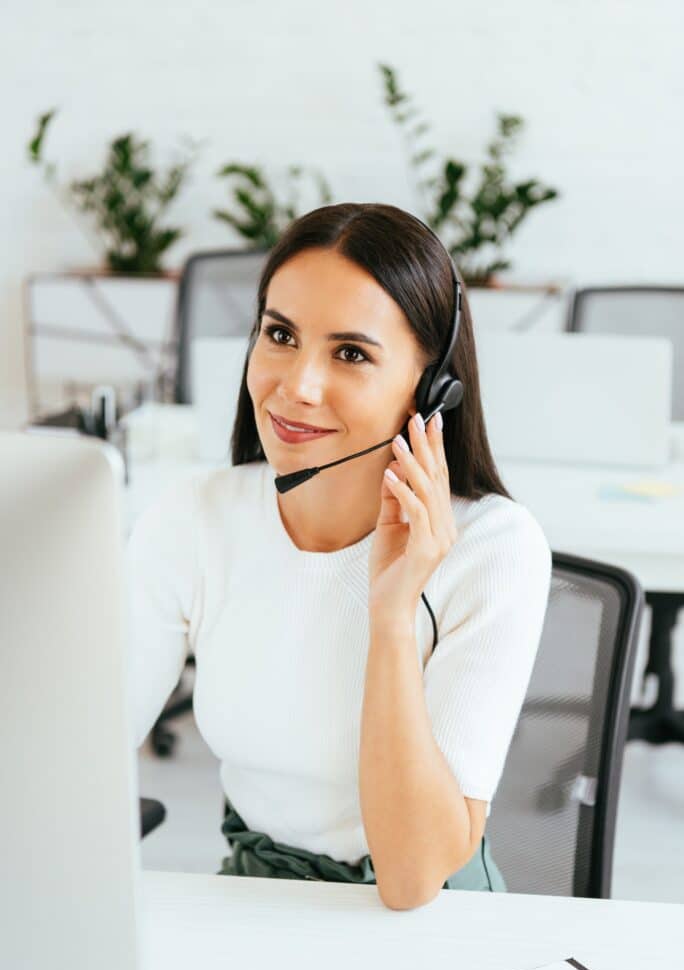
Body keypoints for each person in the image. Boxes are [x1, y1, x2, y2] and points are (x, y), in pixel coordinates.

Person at [126, 202, 552, 911]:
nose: (297, 386)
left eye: (351, 352)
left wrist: (390, 614)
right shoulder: (195, 517)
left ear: (432, 386)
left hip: (435, 927)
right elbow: (79, 750)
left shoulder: (492, 550)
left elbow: (414, 878)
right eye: (280, 335)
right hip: (254, 909)